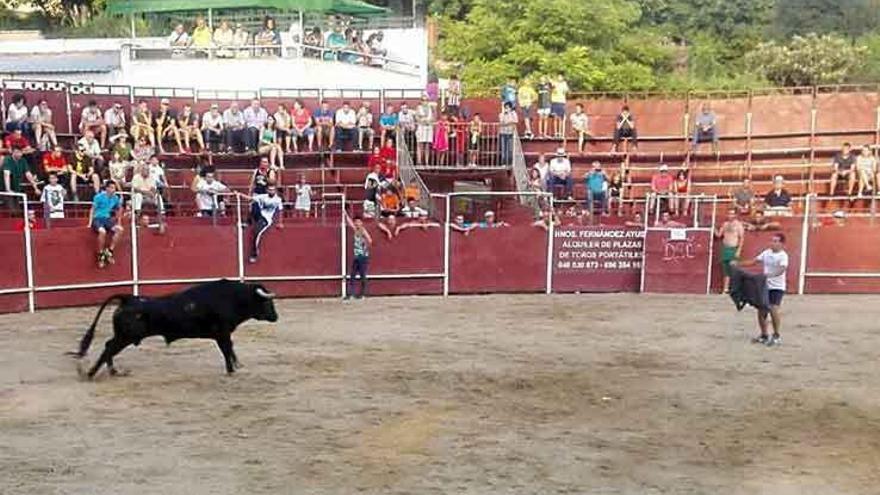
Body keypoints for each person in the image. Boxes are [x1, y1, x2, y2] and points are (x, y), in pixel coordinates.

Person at [732, 233, 789, 346]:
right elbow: (754, 261)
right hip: (764, 285)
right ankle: (764, 335)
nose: (773, 243)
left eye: (776, 241)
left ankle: (776, 335)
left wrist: (769, 275)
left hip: (777, 287)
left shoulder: (783, 256)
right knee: (761, 310)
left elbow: (782, 270)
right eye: (772, 240)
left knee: (773, 309)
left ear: (782, 244)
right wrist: (738, 264)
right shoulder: (766, 253)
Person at [239, 185, 284, 263]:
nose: (271, 191)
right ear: (267, 190)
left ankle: (254, 254)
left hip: (266, 219)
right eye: (270, 190)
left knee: (255, 233)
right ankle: (248, 222)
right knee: (254, 203)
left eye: (273, 190)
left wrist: (280, 223)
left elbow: (280, 211)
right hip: (259, 214)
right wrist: (239, 194)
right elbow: (249, 198)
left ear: (275, 191)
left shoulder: (278, 200)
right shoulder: (263, 196)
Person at [89, 181, 124, 268]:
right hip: (97, 219)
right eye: (112, 188)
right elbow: (92, 209)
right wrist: (90, 223)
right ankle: (100, 254)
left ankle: (110, 251)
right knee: (102, 232)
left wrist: (119, 221)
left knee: (120, 230)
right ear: (107, 188)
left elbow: (119, 209)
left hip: (107, 219)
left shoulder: (115, 198)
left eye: (114, 188)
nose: (113, 190)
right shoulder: (99, 197)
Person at [715, 209, 745, 293]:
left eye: (732, 214)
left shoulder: (738, 225)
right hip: (725, 248)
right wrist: (713, 228)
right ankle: (725, 289)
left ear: (735, 215)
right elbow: (719, 235)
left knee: (733, 269)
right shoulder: (725, 224)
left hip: (733, 248)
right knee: (726, 270)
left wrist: (738, 250)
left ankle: (736, 288)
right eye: (729, 214)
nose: (730, 215)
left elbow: (741, 238)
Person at [345, 214, 372, 300]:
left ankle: (362, 294)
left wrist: (365, 249)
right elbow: (350, 223)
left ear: (361, 223)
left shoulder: (363, 230)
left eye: (358, 222)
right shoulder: (356, 230)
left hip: (362, 256)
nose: (356, 223)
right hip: (357, 256)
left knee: (362, 275)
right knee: (353, 275)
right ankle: (351, 294)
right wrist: (345, 214)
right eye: (356, 222)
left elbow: (370, 240)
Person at [415, 95, 435, 165]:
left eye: (426, 100)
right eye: (423, 100)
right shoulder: (418, 108)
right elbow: (416, 118)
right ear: (421, 101)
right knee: (420, 145)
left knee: (427, 145)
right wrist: (422, 120)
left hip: (428, 127)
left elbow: (433, 118)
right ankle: (419, 161)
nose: (425, 102)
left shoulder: (430, 108)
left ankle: (426, 162)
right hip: (421, 127)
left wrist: (429, 121)